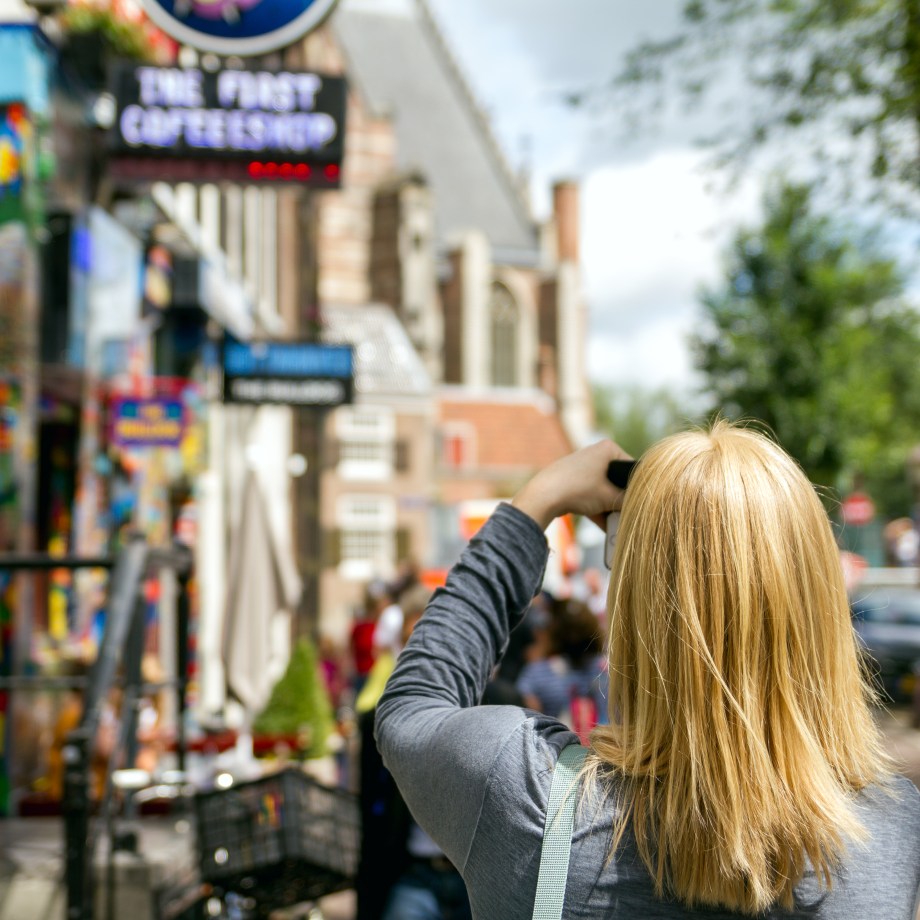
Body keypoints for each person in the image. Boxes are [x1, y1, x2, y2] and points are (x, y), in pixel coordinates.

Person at [375, 421, 920, 919]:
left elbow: (410, 708)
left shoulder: (522, 794)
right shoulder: (892, 830)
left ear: (636, 602)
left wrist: (537, 503)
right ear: (818, 596)